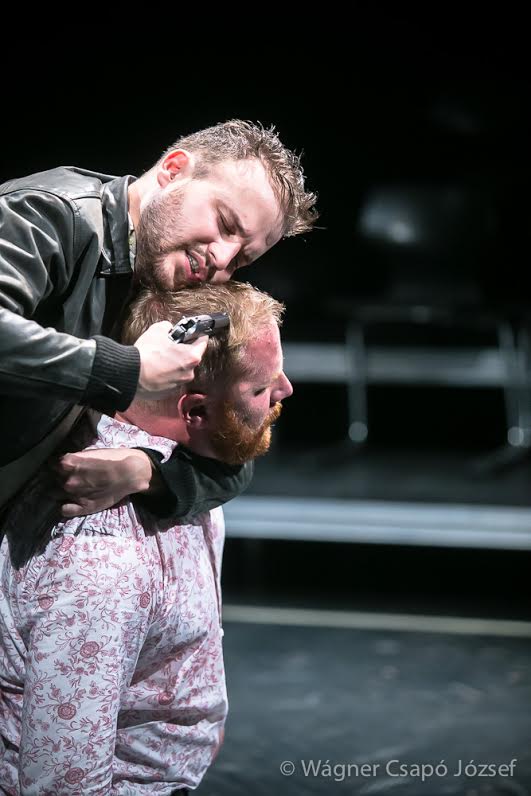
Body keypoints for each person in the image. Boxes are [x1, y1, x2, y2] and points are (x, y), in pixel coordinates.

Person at [0, 280, 293, 793]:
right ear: (194, 412)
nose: (285, 389)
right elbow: (62, 781)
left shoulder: (187, 460)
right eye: (260, 388)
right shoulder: (100, 565)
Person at [0, 119, 316, 518]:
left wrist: (147, 471)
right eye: (225, 224)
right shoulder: (49, 213)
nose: (222, 259)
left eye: (241, 260)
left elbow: (230, 443)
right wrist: (123, 370)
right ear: (173, 169)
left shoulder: (166, 277)